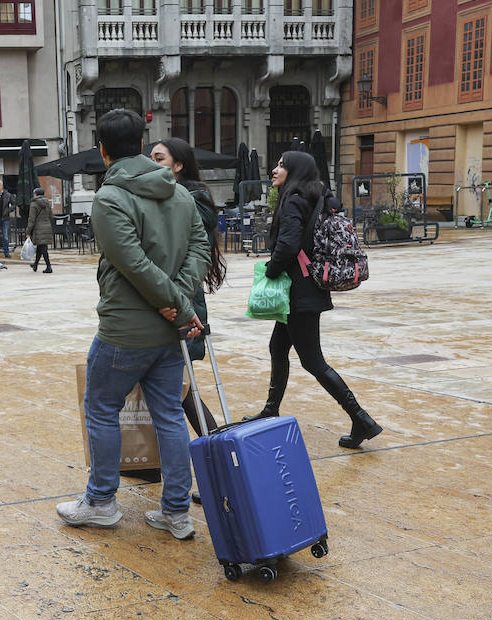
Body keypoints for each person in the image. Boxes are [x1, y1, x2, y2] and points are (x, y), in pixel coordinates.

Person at [57, 108, 209, 541]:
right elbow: (201, 246)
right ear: (142, 146)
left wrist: (174, 304)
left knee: (101, 407)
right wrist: (180, 302)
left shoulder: (109, 199)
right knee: (169, 416)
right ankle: (177, 511)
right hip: (168, 335)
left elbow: (133, 265)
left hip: (126, 329)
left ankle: (101, 502)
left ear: (102, 150)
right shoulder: (178, 193)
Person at [249, 150, 382, 449]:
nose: (274, 170)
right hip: (305, 291)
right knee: (278, 346)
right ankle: (271, 407)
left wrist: (270, 271)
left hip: (299, 294)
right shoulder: (315, 198)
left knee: (313, 361)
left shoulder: (294, 200)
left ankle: (362, 419)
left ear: (294, 171)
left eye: (281, 166)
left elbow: (288, 245)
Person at [150, 137, 226, 442]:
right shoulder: (172, 195)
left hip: (180, 301)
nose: (151, 164)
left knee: (181, 388)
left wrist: (174, 301)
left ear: (178, 165)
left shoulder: (190, 199)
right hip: (171, 299)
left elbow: (189, 254)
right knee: (175, 387)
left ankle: (218, 457)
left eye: (159, 159)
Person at [24, 187, 54, 273]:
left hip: (38, 228)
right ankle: (35, 265)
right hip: (47, 226)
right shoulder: (47, 202)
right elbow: (51, 216)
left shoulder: (34, 203)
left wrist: (28, 231)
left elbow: (31, 219)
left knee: (43, 248)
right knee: (41, 247)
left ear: (36, 194)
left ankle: (49, 267)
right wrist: (48, 224)